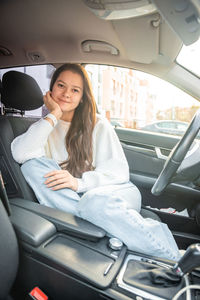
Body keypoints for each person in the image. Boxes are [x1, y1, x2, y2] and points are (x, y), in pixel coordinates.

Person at [11, 63, 180, 261]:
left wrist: (79, 183)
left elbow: (118, 174)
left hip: (114, 190)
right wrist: (54, 114)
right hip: (77, 200)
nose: (66, 94)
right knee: (31, 166)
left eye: (75, 90)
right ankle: (105, 223)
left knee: (93, 202)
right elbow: (21, 154)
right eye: (61, 86)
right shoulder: (45, 127)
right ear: (51, 88)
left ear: (82, 97)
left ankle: (174, 258)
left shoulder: (98, 124)